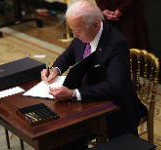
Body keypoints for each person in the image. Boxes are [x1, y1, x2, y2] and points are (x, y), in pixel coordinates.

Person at [40, 1, 147, 149]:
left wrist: (72, 94)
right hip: (83, 105)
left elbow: (113, 87)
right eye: (72, 30)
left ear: (95, 25)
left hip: (113, 109)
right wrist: (55, 69)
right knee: (53, 139)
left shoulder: (116, 43)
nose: (74, 35)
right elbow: (68, 56)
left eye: (77, 31)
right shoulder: (83, 33)